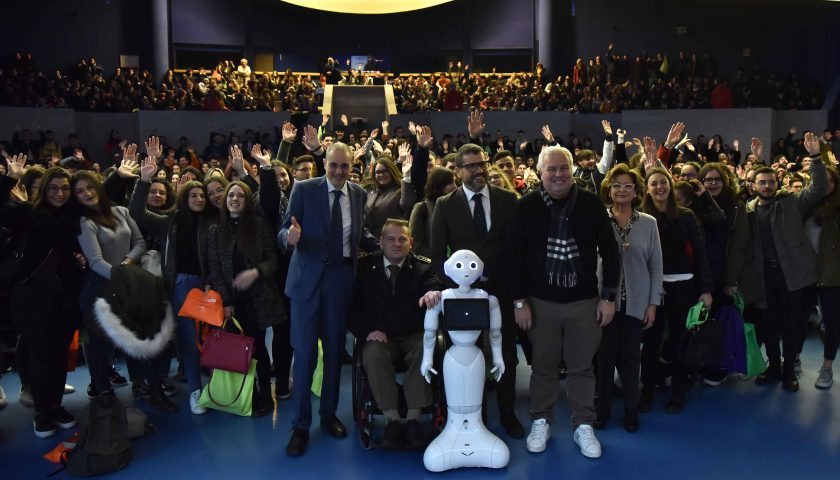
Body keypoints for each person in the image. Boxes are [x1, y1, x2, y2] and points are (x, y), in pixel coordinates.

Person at [506, 145, 620, 457]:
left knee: (583, 368)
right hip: (539, 302)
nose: (558, 174)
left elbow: (611, 252)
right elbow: (512, 257)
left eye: (563, 168)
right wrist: (519, 302)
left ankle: (584, 424)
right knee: (543, 367)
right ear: (540, 173)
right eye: (551, 169)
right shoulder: (526, 206)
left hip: (584, 301)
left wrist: (608, 297)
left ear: (572, 171)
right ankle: (541, 420)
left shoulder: (590, 204)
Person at [278, 142, 377, 456]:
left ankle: (328, 414)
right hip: (306, 282)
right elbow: (283, 232)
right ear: (325, 165)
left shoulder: (360, 195)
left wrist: (391, 244)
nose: (338, 171)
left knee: (335, 353)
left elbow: (360, 235)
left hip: (341, 281)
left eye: (344, 166)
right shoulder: (304, 189)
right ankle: (301, 425)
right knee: (305, 355)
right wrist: (288, 237)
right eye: (333, 165)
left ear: (352, 167)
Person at [429, 142, 524, 440]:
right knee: (465, 354)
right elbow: (436, 255)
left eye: (481, 164)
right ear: (458, 171)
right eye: (471, 166)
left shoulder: (509, 199)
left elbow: (519, 250)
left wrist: (519, 295)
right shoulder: (445, 205)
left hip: (503, 291)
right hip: (462, 294)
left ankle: (507, 413)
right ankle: (471, 412)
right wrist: (452, 292)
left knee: (506, 352)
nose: (479, 170)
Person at [727, 133, 828, 391]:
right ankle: (773, 367)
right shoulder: (746, 210)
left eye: (771, 182)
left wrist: (816, 157)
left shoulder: (791, 203)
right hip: (762, 277)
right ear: (753, 186)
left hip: (792, 276)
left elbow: (818, 188)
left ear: (777, 183)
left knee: (793, 325)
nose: (767, 186)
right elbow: (738, 247)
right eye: (762, 182)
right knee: (769, 325)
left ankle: (788, 371)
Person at [74, 162, 178, 412]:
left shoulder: (121, 211)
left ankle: (153, 389)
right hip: (100, 288)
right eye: (80, 191)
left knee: (142, 336)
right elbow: (95, 261)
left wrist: (127, 265)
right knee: (100, 348)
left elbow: (139, 242)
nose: (88, 193)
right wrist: (122, 275)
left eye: (90, 187)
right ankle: (105, 396)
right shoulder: (83, 222)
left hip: (128, 281)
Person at [129, 137, 216, 414]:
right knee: (189, 344)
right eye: (193, 195)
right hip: (181, 287)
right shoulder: (169, 221)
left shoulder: (212, 221)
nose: (199, 199)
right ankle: (195, 391)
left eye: (202, 195)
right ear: (184, 197)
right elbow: (136, 213)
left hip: (210, 287)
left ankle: (217, 387)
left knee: (214, 341)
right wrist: (143, 181)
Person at [1, 157, 84, 438]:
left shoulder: (72, 217)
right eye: (54, 188)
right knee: (40, 355)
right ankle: (42, 412)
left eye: (64, 188)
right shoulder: (27, 213)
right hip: (30, 296)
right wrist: (11, 179)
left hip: (64, 297)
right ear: (44, 189)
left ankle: (55, 405)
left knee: (60, 355)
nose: (60, 193)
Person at [348, 219, 442, 448]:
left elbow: (433, 285)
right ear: (380, 242)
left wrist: (433, 294)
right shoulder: (363, 268)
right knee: (372, 355)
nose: (396, 244)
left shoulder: (423, 267)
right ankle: (392, 418)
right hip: (381, 334)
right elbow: (352, 306)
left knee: (426, 350)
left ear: (411, 242)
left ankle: (412, 419)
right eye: (390, 239)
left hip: (414, 333)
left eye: (402, 239)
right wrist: (366, 331)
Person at [207, 181, 286, 417]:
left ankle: (264, 392)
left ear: (247, 201)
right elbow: (214, 268)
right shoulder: (215, 230)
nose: (234, 199)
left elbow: (273, 260)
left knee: (259, 347)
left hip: (257, 298)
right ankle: (244, 392)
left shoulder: (259, 226)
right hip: (232, 302)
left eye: (240, 195)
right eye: (230, 195)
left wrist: (256, 272)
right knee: (237, 349)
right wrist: (227, 301)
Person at [594, 164, 663, 433]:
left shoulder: (649, 223)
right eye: (616, 186)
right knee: (604, 358)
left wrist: (653, 304)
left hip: (637, 303)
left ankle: (632, 411)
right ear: (609, 191)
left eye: (628, 186)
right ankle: (602, 411)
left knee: (632, 359)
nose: (622, 190)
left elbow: (656, 266)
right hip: (604, 302)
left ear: (636, 192)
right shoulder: (599, 219)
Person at [640, 167, 713, 413]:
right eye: (654, 184)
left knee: (682, 341)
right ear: (647, 189)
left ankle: (678, 390)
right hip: (653, 288)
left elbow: (701, 253)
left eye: (663, 182)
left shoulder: (687, 215)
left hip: (684, 284)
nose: (659, 187)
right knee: (651, 341)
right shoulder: (640, 217)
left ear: (670, 186)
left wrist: (706, 289)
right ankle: (647, 389)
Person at [804, 162, 840, 389]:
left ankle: (827, 367)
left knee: (832, 322)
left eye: (830, 180)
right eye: (820, 179)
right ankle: (793, 360)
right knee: (796, 320)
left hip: (832, 275)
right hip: (804, 273)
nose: (825, 184)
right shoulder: (803, 206)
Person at [409, 167, 456, 258]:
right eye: (450, 183)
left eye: (454, 181)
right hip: (432, 267)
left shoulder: (456, 207)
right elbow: (416, 245)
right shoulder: (422, 208)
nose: (455, 186)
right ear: (438, 185)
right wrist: (437, 261)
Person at [364, 157, 415, 238]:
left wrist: (406, 176)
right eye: (378, 172)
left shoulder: (400, 190)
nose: (381, 174)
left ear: (392, 172)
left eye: (385, 171)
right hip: (370, 242)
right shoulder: (372, 192)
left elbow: (406, 205)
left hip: (392, 241)